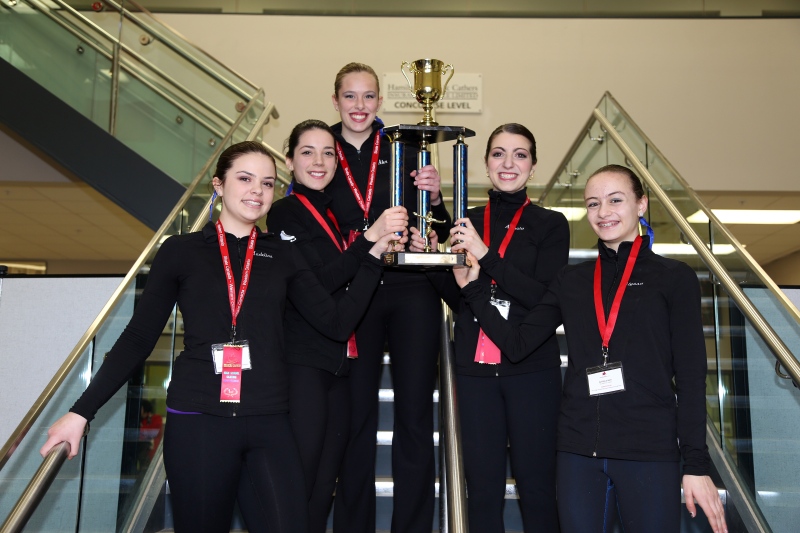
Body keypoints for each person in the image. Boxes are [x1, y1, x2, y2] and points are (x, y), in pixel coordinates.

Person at [40, 141, 400, 533]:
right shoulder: (181, 251)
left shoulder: (283, 255)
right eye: (244, 179)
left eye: (267, 183)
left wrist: (373, 257)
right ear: (218, 184)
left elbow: (334, 324)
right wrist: (82, 411)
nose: (256, 191)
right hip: (199, 421)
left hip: (270, 419)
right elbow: (138, 337)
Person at [453, 164, 728, 533]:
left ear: (641, 205)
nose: (603, 212)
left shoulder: (675, 278)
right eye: (593, 203)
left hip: (647, 451)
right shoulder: (573, 280)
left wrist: (696, 464)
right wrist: (472, 290)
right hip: (578, 454)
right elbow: (518, 344)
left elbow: (692, 377)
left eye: (616, 200)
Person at [413, 123, 568, 532]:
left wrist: (487, 255)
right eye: (498, 153)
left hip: (532, 369)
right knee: (482, 492)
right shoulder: (468, 220)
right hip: (475, 371)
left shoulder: (551, 224)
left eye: (520, 155)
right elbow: (460, 295)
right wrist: (431, 261)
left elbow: (543, 296)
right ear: (485, 163)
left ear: (533, 166)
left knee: (537, 489)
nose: (509, 163)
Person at [265, 119, 409, 532]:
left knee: (324, 482)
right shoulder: (285, 214)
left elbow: (344, 283)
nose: (319, 161)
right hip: (303, 364)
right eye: (307, 152)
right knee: (300, 480)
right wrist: (369, 242)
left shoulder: (330, 212)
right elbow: (321, 282)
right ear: (289, 161)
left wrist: (377, 247)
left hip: (339, 364)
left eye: (329, 152)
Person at [326, 62, 451, 533]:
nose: (360, 106)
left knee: (415, 416)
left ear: (380, 101)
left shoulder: (404, 146)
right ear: (335, 100)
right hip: (353, 290)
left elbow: (436, 227)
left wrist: (436, 202)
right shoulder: (322, 152)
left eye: (369, 96)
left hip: (409, 288)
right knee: (355, 420)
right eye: (350, 96)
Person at [137, 399, 163, 471]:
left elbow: (153, 432)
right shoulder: (138, 420)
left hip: (153, 452)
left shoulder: (156, 418)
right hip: (142, 454)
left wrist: (141, 428)